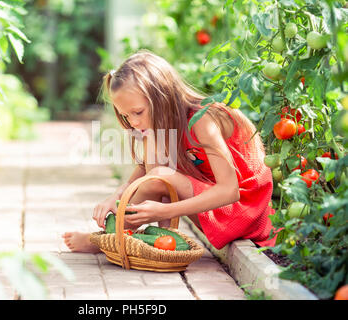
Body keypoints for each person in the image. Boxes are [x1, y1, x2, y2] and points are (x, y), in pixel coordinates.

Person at [62, 50, 278, 252]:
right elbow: (148, 173)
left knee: (158, 176)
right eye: (126, 116)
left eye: (138, 112)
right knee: (156, 173)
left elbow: (229, 191)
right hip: (217, 210)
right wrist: (116, 195)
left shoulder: (203, 120)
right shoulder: (162, 124)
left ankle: (105, 240)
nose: (134, 122)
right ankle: (112, 236)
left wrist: (164, 211)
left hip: (243, 212)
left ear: (162, 96)